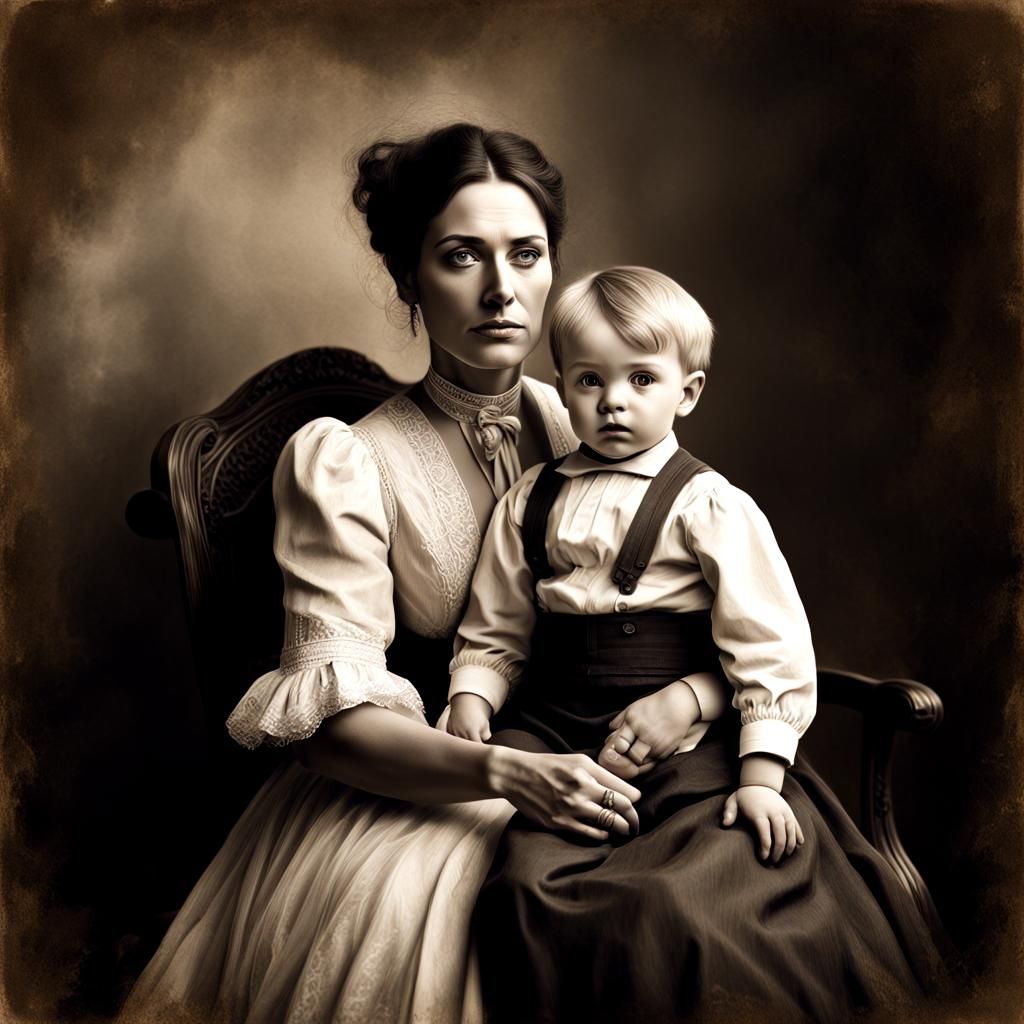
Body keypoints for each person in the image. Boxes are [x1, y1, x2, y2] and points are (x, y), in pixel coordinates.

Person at [122, 125, 672, 1024]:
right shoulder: (344, 461)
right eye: (462, 257)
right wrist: (508, 773)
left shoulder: (590, 417)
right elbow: (333, 734)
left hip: (601, 748)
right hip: (432, 790)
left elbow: (689, 600)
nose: (502, 289)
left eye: (525, 254)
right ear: (410, 277)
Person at [444, 266, 946, 1023]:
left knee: (688, 895)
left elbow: (769, 646)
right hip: (554, 727)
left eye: (641, 378)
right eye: (588, 380)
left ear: (688, 391)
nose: (612, 400)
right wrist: (472, 697)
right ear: (562, 384)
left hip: (692, 746)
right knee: (525, 884)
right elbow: (496, 627)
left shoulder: (710, 504)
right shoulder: (530, 498)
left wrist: (760, 777)